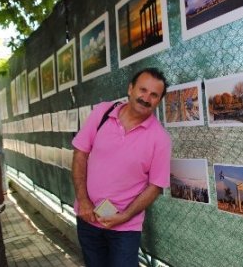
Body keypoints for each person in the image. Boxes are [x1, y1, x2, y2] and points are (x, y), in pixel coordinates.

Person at [72, 68, 171, 267]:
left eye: (154, 95)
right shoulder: (103, 112)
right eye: (142, 90)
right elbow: (80, 153)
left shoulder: (160, 139)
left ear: (158, 101)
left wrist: (124, 216)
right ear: (130, 89)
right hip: (88, 217)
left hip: (125, 228)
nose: (146, 98)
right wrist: (83, 201)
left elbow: (156, 186)